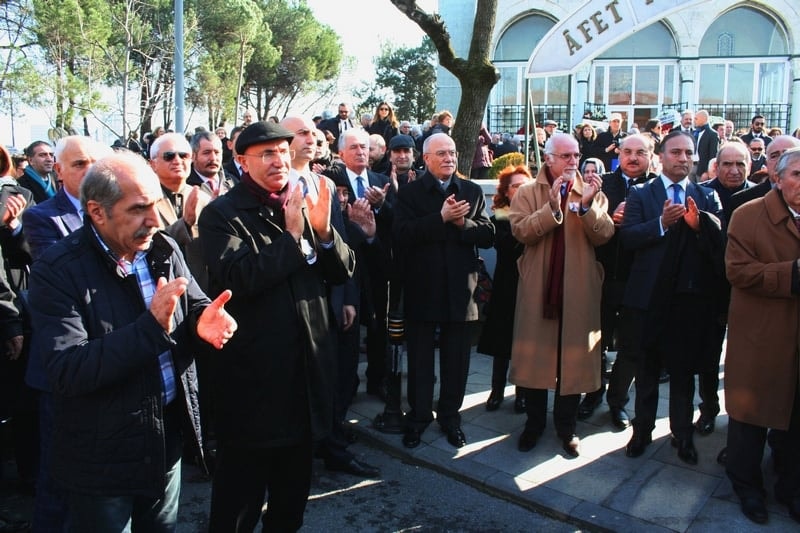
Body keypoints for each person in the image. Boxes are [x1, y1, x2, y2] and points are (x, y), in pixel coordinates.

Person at [26, 151, 237, 532]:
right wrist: (152, 326)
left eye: (155, 204)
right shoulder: (56, 271)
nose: (155, 220)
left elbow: (191, 303)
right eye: (139, 208)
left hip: (165, 441)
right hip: (101, 457)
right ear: (97, 212)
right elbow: (68, 369)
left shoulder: (163, 248)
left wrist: (204, 319)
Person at [198, 121, 354, 531]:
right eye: (266, 154)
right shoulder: (222, 215)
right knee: (237, 510)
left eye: (283, 152)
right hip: (253, 387)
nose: (279, 160)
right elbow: (239, 278)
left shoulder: (304, 202)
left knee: (289, 509)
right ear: (241, 161)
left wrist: (322, 233)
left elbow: (342, 272)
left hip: (304, 382)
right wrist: (292, 237)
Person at [20, 136, 112, 531]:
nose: (89, 170)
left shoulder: (118, 210)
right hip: (64, 366)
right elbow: (72, 279)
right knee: (58, 479)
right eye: (78, 164)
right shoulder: (42, 217)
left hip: (110, 359)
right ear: (58, 171)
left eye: (95, 162)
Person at [621, 131, 724, 465]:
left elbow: (722, 244)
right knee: (647, 370)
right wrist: (661, 223)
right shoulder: (640, 193)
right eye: (676, 152)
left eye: (689, 153)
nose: (683, 158)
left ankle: (682, 435)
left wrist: (699, 226)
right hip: (648, 299)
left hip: (689, 301)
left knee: (682, 375)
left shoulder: (707, 197)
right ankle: (642, 432)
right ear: (661, 157)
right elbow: (628, 239)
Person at [509, 133, 614, 457]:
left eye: (576, 156)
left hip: (578, 288)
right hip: (539, 286)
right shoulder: (528, 191)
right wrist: (552, 209)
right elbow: (520, 231)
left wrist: (585, 209)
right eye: (566, 156)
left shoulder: (591, 191)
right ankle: (534, 424)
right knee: (537, 359)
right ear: (548, 158)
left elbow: (605, 234)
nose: (573, 162)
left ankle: (566, 428)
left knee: (573, 359)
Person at [393, 132, 494, 449]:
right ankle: (419, 416)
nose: (449, 158)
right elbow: (401, 234)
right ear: (426, 159)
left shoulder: (471, 190)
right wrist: (440, 218)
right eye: (442, 153)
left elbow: (489, 233)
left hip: (461, 290)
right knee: (421, 358)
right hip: (422, 287)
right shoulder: (409, 194)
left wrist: (463, 225)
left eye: (452, 152)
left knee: (457, 360)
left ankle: (451, 417)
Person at [724, 147, 800, 525]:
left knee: (795, 421)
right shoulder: (748, 215)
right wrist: (792, 274)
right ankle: (746, 486)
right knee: (749, 420)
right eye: (797, 175)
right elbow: (738, 272)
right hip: (761, 336)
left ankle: (791, 487)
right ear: (777, 178)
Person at [582, 135, 657, 426]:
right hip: (600, 276)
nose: (633, 157)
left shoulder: (657, 188)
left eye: (641, 152)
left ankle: (618, 401)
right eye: (628, 152)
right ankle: (592, 393)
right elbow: (581, 222)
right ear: (619, 154)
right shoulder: (600, 183)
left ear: (651, 155)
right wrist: (605, 218)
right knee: (593, 343)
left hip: (637, 280)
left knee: (631, 346)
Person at [477, 165, 531, 414]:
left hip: (531, 284)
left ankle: (522, 393)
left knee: (526, 343)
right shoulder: (499, 216)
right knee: (502, 343)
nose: (521, 191)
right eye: (515, 187)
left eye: (525, 186)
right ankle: (496, 390)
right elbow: (505, 245)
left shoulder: (540, 213)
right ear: (506, 192)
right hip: (507, 285)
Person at [692, 110, 719, 181]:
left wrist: (707, 172)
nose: (694, 120)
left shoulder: (712, 134)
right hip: (691, 167)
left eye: (696, 118)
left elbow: (713, 155)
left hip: (702, 170)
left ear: (703, 119)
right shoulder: (694, 133)